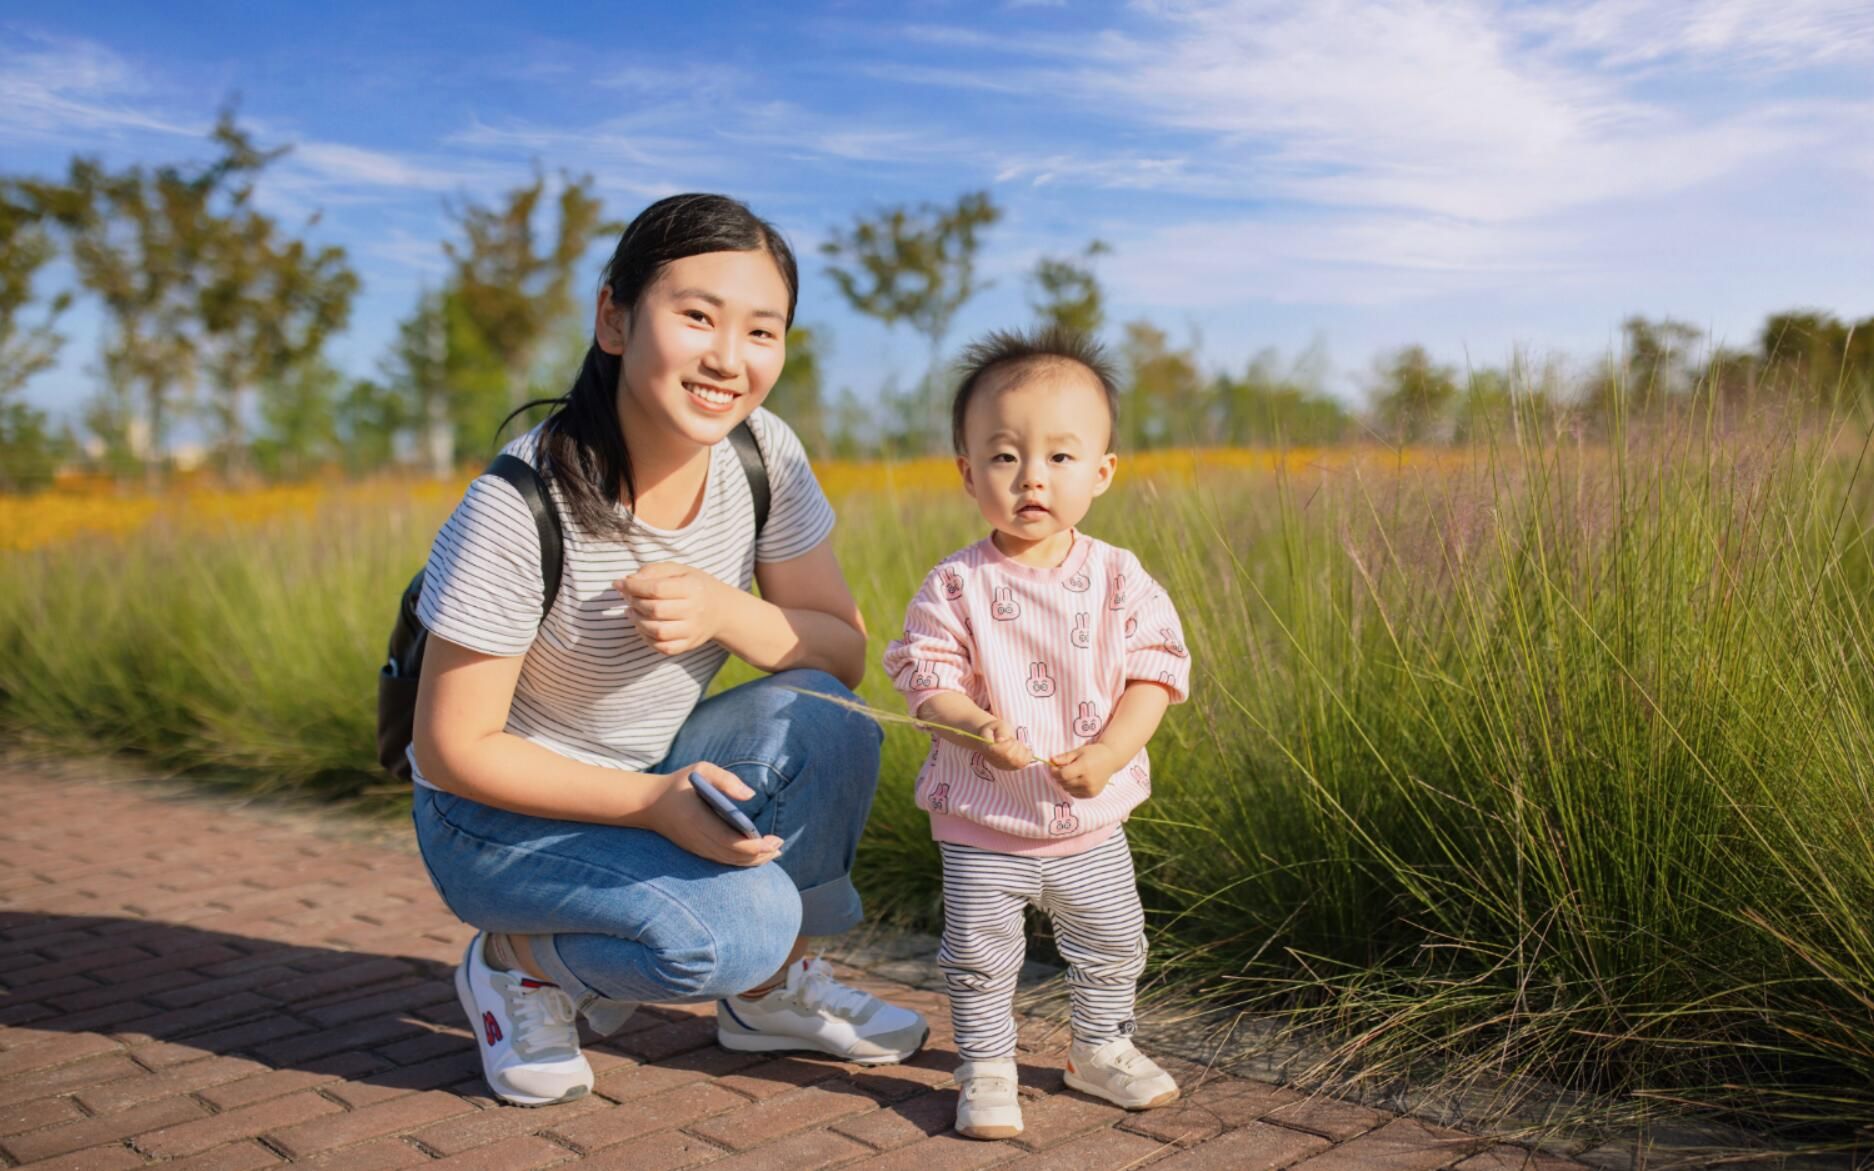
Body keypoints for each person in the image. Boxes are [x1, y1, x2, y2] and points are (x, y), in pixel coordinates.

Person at [409, 193, 927, 1108]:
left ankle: (767, 997)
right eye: (697, 316)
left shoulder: (764, 453)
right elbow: (454, 751)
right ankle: (515, 963)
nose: (729, 358)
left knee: (827, 713)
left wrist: (726, 610)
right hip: (492, 814)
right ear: (613, 317)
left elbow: (840, 650)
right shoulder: (519, 505)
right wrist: (651, 803)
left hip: (647, 768)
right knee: (734, 928)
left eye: (761, 331)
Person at [882, 327, 1191, 1140]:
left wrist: (1113, 752)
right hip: (983, 819)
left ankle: (1100, 1044)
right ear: (968, 471)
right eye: (1005, 455)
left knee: (1113, 938)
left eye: (1060, 456)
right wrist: (974, 723)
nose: (1031, 478)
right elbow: (925, 676)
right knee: (982, 954)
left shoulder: (1119, 576)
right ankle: (985, 1063)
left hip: (1090, 821)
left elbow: (1155, 673)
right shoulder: (956, 583)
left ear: (1102, 471)